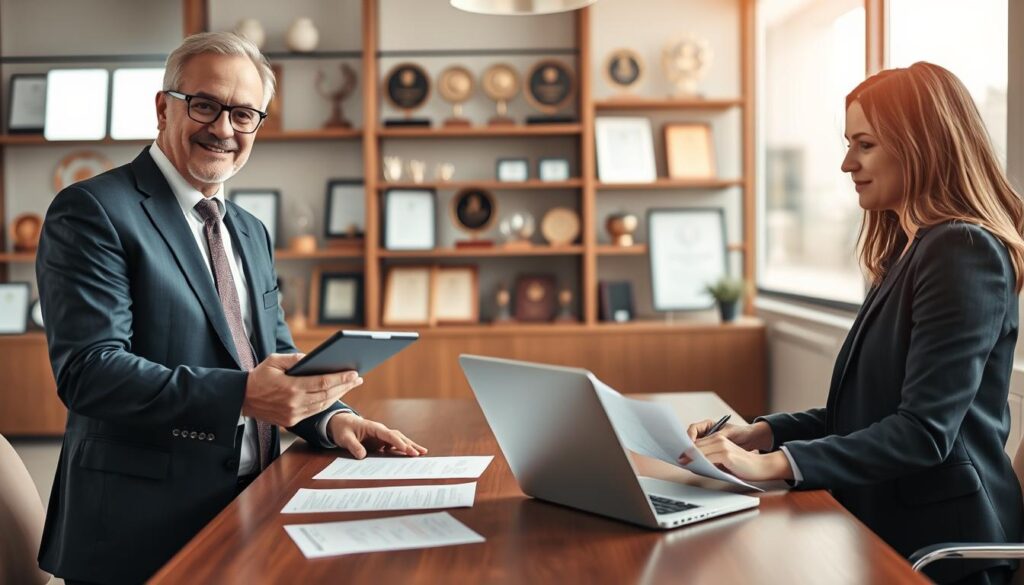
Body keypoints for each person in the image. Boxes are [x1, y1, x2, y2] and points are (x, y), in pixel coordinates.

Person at [35, 32, 426, 585]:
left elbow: (274, 356)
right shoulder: (93, 210)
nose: (223, 129)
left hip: (253, 505)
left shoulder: (249, 230)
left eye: (244, 114)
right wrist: (242, 394)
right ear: (162, 107)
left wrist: (333, 417)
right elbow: (90, 372)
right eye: (205, 105)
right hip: (137, 529)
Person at [684, 62, 1024, 585]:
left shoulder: (963, 250)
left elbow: (923, 433)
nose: (847, 163)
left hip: (939, 547)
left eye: (864, 144)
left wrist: (774, 465)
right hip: (885, 525)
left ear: (920, 145)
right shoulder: (913, 250)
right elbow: (871, 409)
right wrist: (765, 433)